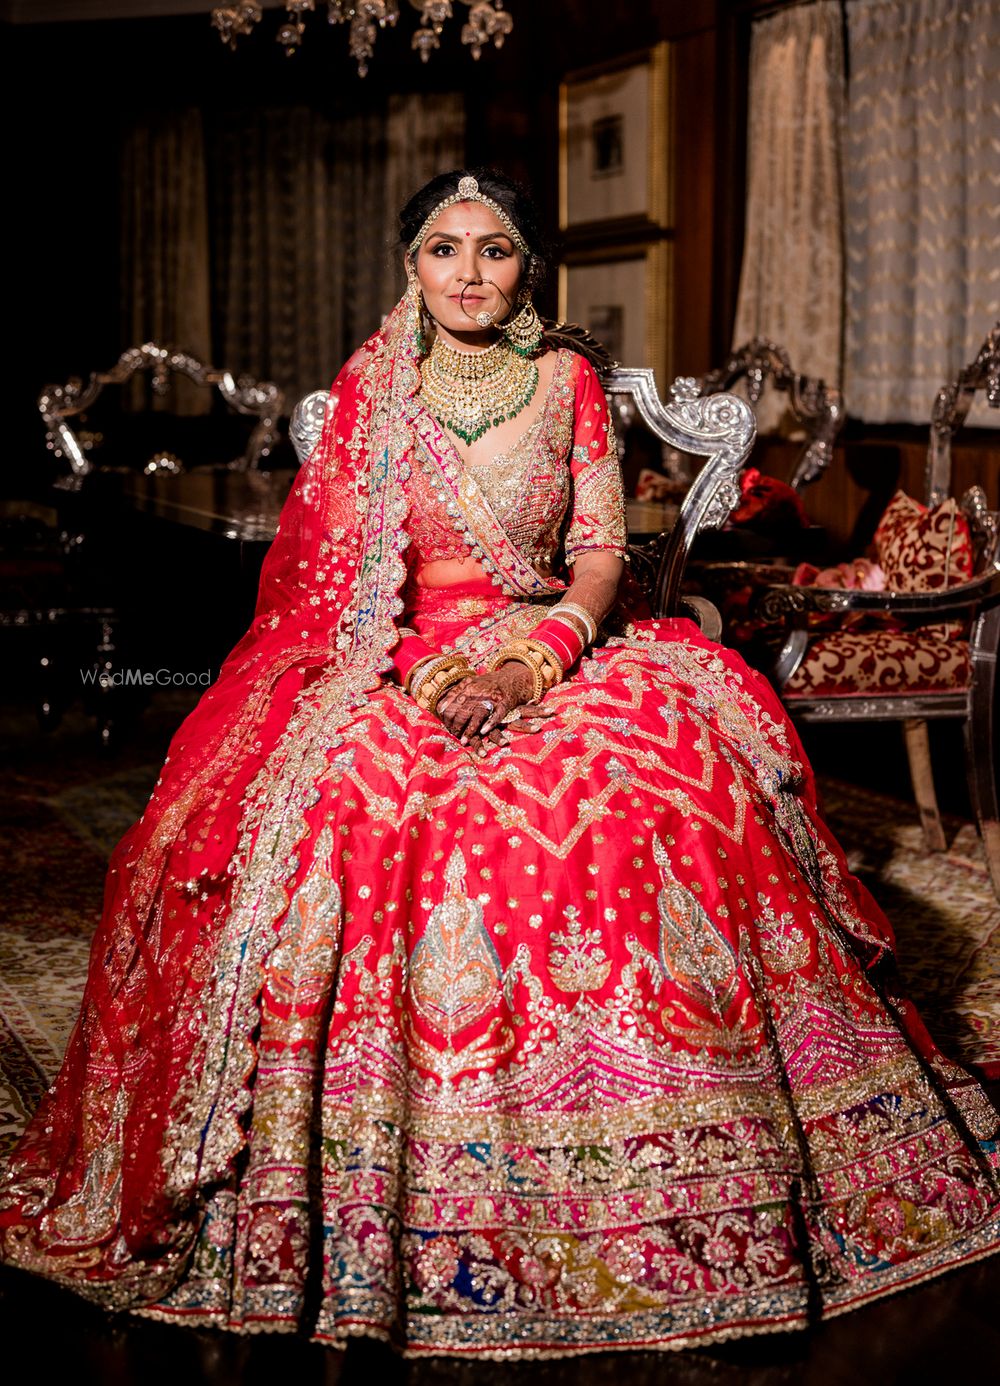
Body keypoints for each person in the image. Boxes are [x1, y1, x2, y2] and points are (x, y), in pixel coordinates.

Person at [2, 168, 999, 1359]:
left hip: (556, 641)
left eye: (493, 250)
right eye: (443, 249)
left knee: (665, 786)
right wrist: (420, 676)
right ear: (409, 266)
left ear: (529, 269)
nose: (468, 273)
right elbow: (344, 590)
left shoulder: (569, 381)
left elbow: (593, 552)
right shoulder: (375, 388)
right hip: (399, 651)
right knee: (356, 805)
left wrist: (538, 663)